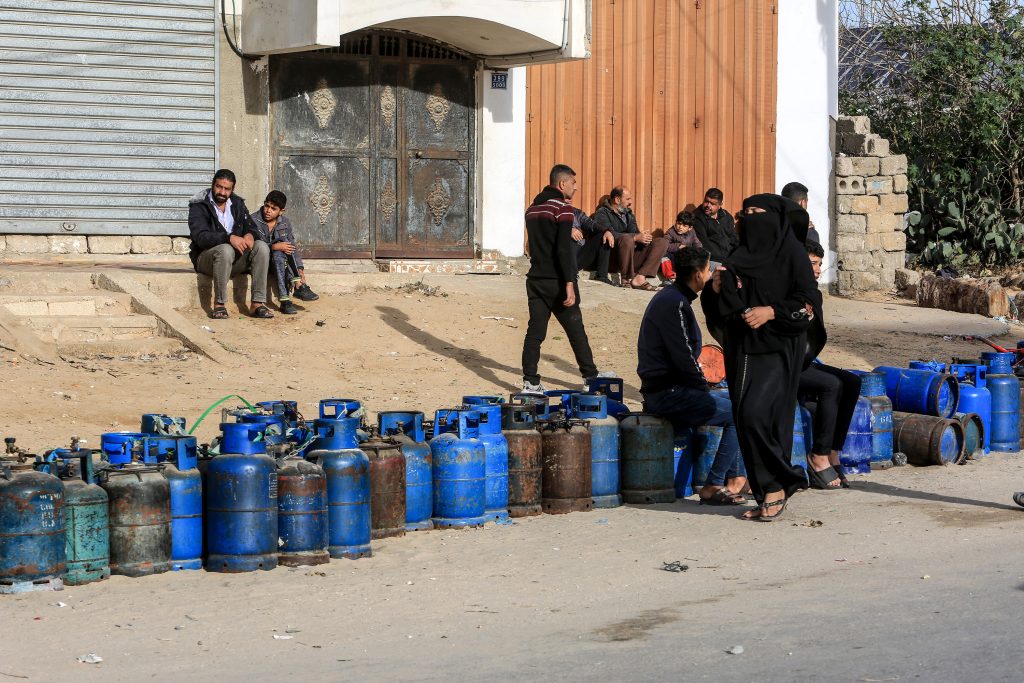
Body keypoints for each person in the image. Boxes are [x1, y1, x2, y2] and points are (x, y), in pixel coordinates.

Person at [702, 194, 822, 521]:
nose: (751, 219)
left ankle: (781, 481)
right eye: (747, 213)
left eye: (758, 213)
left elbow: (809, 302)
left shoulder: (793, 254)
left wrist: (772, 311)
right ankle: (770, 489)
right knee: (745, 418)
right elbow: (725, 304)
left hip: (780, 346)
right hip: (743, 348)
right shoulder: (740, 254)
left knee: (759, 414)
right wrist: (714, 291)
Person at [638, 246, 747, 505]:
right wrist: (702, 389)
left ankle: (736, 480)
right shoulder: (673, 303)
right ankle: (714, 484)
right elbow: (684, 358)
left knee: (739, 405)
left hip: (674, 388)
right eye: (708, 270)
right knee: (740, 416)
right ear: (698, 274)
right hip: (668, 393)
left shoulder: (674, 298)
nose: (709, 274)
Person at [521, 164, 604, 394]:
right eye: (573, 183)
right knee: (575, 329)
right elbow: (563, 250)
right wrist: (569, 283)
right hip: (557, 280)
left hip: (535, 279)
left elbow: (534, 246)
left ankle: (530, 382)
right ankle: (590, 377)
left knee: (535, 331)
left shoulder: (532, 210)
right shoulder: (563, 209)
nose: (575, 188)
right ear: (562, 184)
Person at [798, 241, 860, 488]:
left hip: (803, 362)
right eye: (813, 263)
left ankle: (834, 450)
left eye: (820, 264)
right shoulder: (789, 291)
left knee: (852, 382)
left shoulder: (813, 294)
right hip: (783, 366)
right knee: (831, 385)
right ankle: (818, 455)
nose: (817, 269)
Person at [188, 169, 272, 319]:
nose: (222, 192)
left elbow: (251, 226)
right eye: (219, 187)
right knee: (226, 249)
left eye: (227, 189)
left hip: (234, 260)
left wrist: (249, 235)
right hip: (207, 259)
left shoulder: (237, 203)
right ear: (213, 185)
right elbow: (200, 237)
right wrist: (228, 238)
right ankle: (219, 305)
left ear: (232, 189)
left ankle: (257, 304)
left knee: (262, 247)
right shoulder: (199, 205)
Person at [251, 190, 319, 315]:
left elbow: (292, 247)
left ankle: (286, 299)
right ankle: (297, 287)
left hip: (279, 261)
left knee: (283, 248)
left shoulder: (285, 222)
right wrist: (274, 246)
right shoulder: (254, 220)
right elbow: (252, 247)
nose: (268, 211)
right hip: (259, 263)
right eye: (267, 206)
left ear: (281, 211)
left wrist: (300, 268)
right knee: (280, 246)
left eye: (273, 208)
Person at [592, 186, 668, 291]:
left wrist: (644, 237)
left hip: (631, 257)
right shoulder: (602, 213)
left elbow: (635, 233)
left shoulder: (629, 214)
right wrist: (635, 237)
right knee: (627, 238)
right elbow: (609, 234)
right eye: (627, 199)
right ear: (617, 200)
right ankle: (626, 278)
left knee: (662, 242)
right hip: (613, 259)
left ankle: (640, 277)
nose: (630, 202)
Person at [691, 188, 738, 264]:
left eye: (712, 204)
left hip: (730, 258)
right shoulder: (697, 218)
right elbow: (704, 243)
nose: (708, 205)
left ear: (720, 205)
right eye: (706, 201)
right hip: (712, 260)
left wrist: (738, 253)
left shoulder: (726, 216)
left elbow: (733, 236)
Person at [571, 207, 616, 286]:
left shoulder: (576, 212)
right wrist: (567, 230)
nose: (569, 198)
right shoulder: (550, 212)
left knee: (603, 236)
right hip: (564, 257)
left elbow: (590, 224)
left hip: (579, 255)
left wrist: (606, 231)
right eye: (566, 197)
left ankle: (602, 276)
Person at [659, 211, 703, 283]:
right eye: (679, 224)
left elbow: (697, 242)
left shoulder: (692, 232)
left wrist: (700, 250)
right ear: (676, 222)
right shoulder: (670, 232)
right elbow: (665, 245)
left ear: (690, 228)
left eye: (684, 226)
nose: (680, 227)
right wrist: (678, 246)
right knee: (664, 258)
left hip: (686, 255)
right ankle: (671, 278)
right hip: (673, 256)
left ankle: (693, 277)